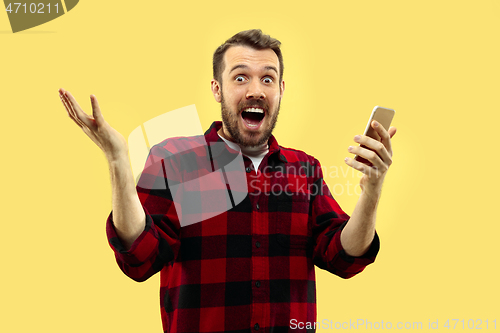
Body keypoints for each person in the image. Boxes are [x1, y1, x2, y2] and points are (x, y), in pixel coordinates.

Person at [59, 29, 397, 333]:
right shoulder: (176, 160)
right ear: (217, 89)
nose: (256, 90)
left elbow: (344, 257)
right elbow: (140, 257)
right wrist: (118, 160)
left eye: (268, 79)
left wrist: (373, 188)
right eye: (240, 78)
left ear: (281, 90)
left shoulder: (304, 168)